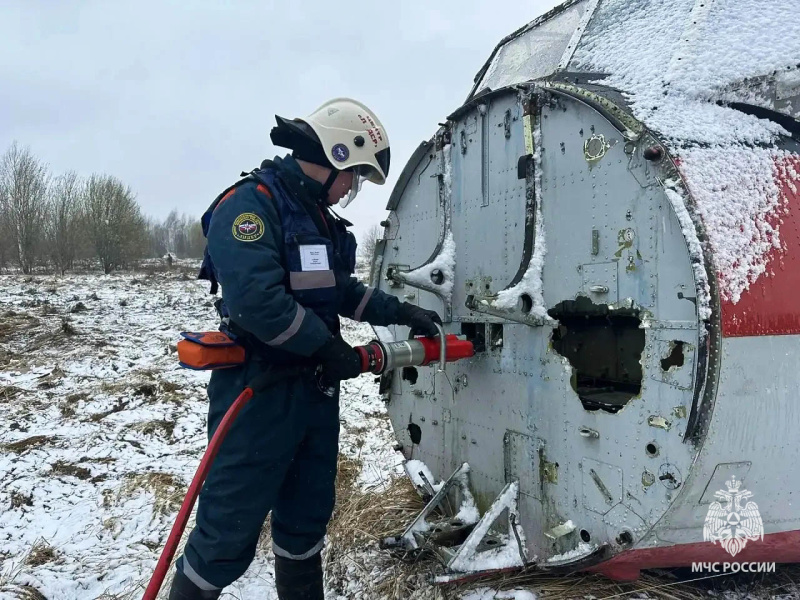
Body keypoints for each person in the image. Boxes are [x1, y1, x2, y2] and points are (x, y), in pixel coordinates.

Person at [167, 98, 442, 600]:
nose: (351, 190)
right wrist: (328, 349)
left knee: (305, 522)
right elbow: (258, 304)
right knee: (226, 534)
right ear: (337, 157)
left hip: (314, 397)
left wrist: (401, 312)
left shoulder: (317, 219)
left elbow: (337, 291)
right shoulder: (250, 206)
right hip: (259, 394)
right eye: (353, 177)